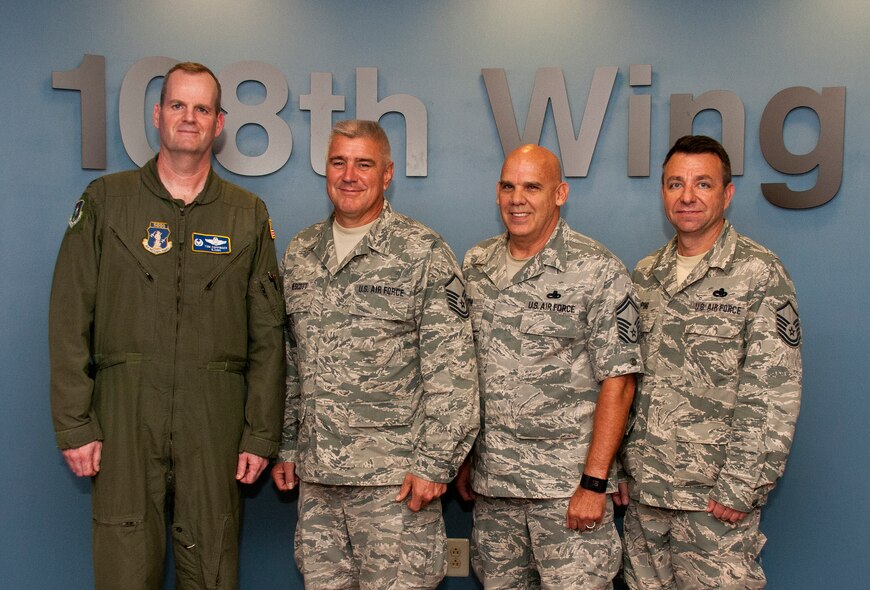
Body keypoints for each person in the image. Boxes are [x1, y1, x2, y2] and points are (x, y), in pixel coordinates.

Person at [49, 62, 285, 590]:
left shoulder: (246, 215)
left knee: (213, 567)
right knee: (124, 568)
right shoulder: (107, 202)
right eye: (178, 104)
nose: (189, 117)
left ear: (219, 123)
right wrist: (75, 422)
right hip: (125, 411)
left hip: (215, 419)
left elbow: (269, 338)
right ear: (157, 115)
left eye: (202, 108)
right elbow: (69, 316)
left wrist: (260, 432)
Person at [272, 120, 479, 589]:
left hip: (395, 484)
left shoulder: (422, 251)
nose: (349, 175)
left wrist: (434, 464)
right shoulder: (302, 252)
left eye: (363, 163)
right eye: (338, 162)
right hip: (319, 482)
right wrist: (286, 444)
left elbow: (454, 372)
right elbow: (290, 361)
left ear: (387, 174)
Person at [616, 135, 803, 589]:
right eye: (675, 184)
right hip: (647, 495)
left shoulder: (759, 273)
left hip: (714, 499)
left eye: (703, 184)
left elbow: (773, 388)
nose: (687, 196)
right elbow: (626, 379)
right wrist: (621, 467)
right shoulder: (645, 274)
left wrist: (742, 484)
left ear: (727, 192)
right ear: (662, 191)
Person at [454, 144, 641, 588]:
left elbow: (620, 381)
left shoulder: (598, 270)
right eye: (507, 186)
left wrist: (595, 484)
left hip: (567, 494)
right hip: (495, 491)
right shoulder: (476, 265)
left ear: (560, 194)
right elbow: (466, 372)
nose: (517, 198)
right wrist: (464, 458)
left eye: (531, 187)